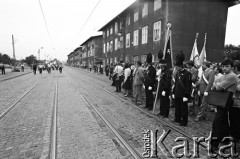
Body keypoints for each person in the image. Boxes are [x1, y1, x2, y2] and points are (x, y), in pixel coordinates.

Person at [210, 59, 238, 153]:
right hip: (222, 100)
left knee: (217, 122)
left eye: (227, 66)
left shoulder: (232, 76)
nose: (224, 68)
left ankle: (214, 144)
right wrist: (218, 85)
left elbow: (217, 87)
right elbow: (214, 85)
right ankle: (225, 139)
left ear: (232, 67)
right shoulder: (224, 76)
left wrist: (218, 85)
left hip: (227, 101)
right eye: (223, 66)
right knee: (223, 120)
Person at [172, 51, 192, 126]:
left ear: (180, 66)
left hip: (183, 94)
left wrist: (186, 95)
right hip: (177, 93)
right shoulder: (177, 73)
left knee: (183, 109)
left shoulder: (187, 74)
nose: (175, 68)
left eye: (177, 67)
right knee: (177, 107)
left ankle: (184, 121)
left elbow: (188, 85)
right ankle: (177, 118)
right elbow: (176, 84)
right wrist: (174, 92)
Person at [157, 51, 172, 118]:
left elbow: (168, 81)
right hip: (162, 88)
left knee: (166, 101)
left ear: (164, 65)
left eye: (161, 64)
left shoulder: (167, 71)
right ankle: (161, 111)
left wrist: (165, 90)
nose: (160, 65)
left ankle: (165, 114)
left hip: (166, 89)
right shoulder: (162, 71)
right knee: (162, 101)